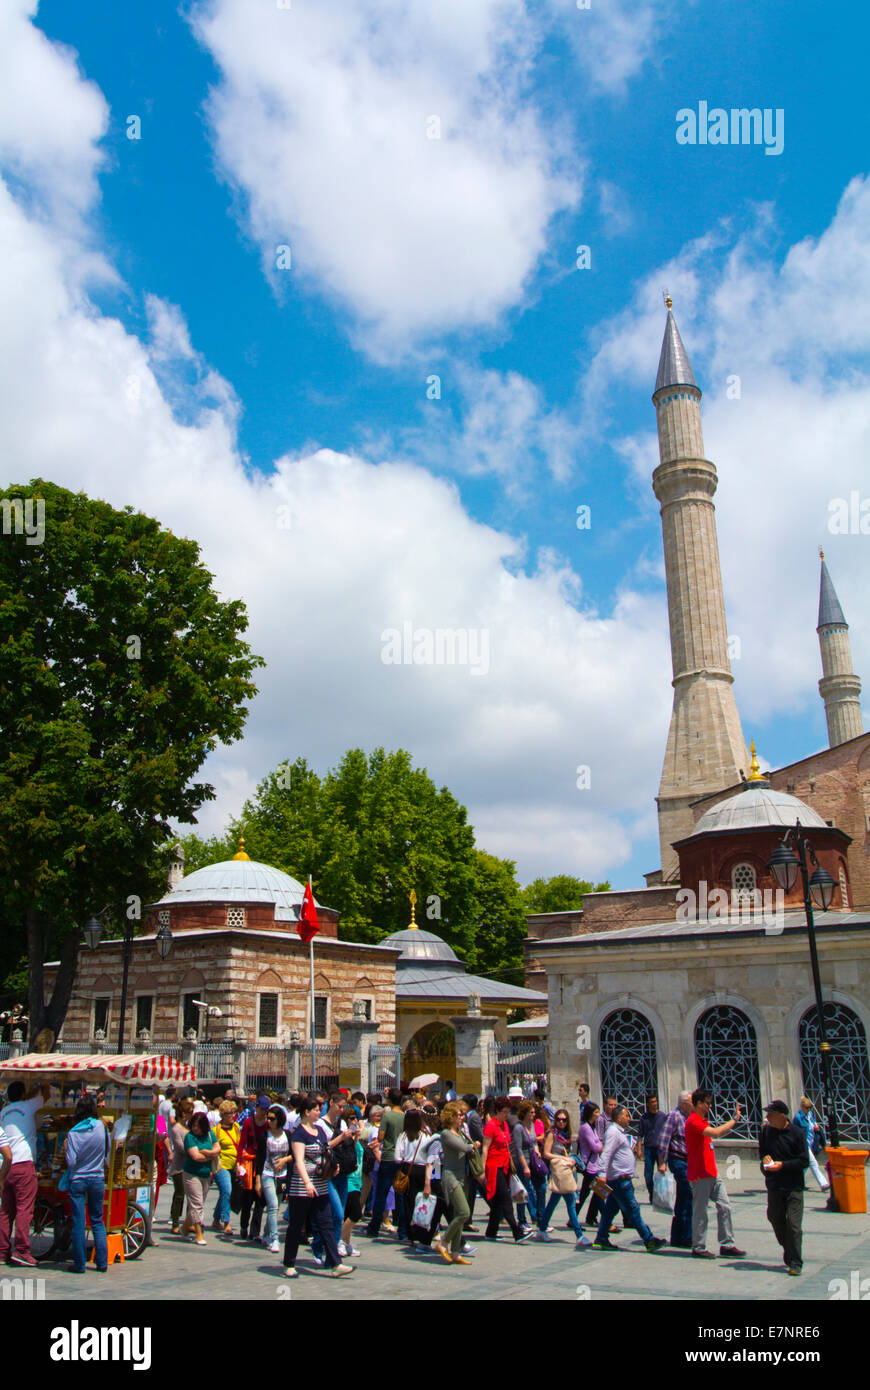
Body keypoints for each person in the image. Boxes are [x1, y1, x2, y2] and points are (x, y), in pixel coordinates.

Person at [282, 1094, 353, 1278]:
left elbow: (325, 1150)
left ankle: (336, 1263)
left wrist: (333, 1165)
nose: (318, 1111)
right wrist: (306, 1182)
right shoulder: (299, 1133)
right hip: (302, 1186)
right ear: (307, 1112)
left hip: (321, 1184)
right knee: (296, 1225)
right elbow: (298, 1161)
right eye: (315, 1109)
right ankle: (289, 1263)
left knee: (326, 1224)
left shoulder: (319, 1131)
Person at [593, 1105, 666, 1253]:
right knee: (633, 1210)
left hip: (620, 1178)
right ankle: (649, 1240)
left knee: (610, 1210)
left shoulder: (619, 1132)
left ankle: (601, 1237)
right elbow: (606, 1153)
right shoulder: (613, 1132)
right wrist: (601, 1174)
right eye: (626, 1115)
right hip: (620, 1180)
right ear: (619, 1118)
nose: (629, 1118)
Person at [685, 1088, 746, 1259]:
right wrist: (734, 1120)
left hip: (711, 1172)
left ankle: (727, 1243)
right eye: (707, 1103)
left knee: (725, 1205)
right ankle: (698, 1246)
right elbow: (716, 1133)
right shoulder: (693, 1121)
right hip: (700, 1174)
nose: (710, 1106)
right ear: (698, 1103)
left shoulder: (702, 1120)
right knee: (700, 1211)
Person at [0, 1080, 50, 1267]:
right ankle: (21, 1250)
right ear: (23, 1094)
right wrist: (36, 1087)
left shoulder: (4, 1112)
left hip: (6, 1165)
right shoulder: (28, 1105)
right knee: (24, 1208)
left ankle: (2, 1251)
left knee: (6, 1211)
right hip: (23, 1163)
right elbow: (46, 1094)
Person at [760, 1100, 809, 1275]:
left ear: (782, 1116)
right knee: (775, 1218)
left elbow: (804, 1160)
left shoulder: (796, 1133)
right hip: (775, 1185)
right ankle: (790, 1249)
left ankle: (795, 1262)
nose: (767, 1117)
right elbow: (763, 1154)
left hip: (793, 1186)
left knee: (794, 1225)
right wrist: (765, 1162)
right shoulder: (766, 1132)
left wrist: (782, 1165)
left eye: (770, 1114)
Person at [63, 1095, 109, 1275]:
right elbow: (106, 1153)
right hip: (97, 1178)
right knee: (97, 1221)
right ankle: (102, 1263)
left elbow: (71, 1162)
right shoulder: (101, 1127)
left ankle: (80, 1265)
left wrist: (67, 1148)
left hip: (78, 1180)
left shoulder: (73, 1133)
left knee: (79, 1223)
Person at [482, 1096, 533, 1243]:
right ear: (497, 1111)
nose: (506, 1115)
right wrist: (481, 1170)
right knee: (505, 1198)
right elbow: (485, 1148)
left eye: (508, 1112)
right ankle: (517, 1231)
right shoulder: (491, 1126)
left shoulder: (504, 1125)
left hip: (505, 1165)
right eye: (504, 1112)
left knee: (498, 1201)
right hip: (493, 1166)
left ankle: (491, 1231)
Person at [540, 1108, 591, 1247]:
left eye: (564, 1120)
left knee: (553, 1203)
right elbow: (546, 1153)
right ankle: (579, 1235)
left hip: (566, 1171)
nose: (561, 1122)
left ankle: (542, 1229)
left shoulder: (567, 1136)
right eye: (558, 1119)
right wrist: (562, 1158)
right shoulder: (552, 1134)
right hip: (558, 1171)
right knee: (570, 1203)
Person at [435, 1103, 476, 1264]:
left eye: (462, 1115)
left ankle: (455, 1252)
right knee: (464, 1213)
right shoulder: (446, 1134)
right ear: (450, 1117)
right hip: (451, 1177)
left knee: (460, 1213)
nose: (461, 1118)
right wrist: (473, 1146)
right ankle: (443, 1241)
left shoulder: (459, 1132)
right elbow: (464, 1148)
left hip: (462, 1176)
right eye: (458, 1115)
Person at [365, 1088, 405, 1238]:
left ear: (389, 1100)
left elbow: (381, 1137)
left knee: (381, 1193)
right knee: (400, 1194)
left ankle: (374, 1226)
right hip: (401, 1157)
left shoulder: (387, 1116)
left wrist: (378, 1141)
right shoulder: (404, 1116)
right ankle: (402, 1229)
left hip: (388, 1156)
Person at [656, 1091, 693, 1248]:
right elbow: (663, 1140)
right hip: (678, 1161)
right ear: (684, 1103)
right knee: (690, 1194)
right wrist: (661, 1162)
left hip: (688, 1161)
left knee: (683, 1198)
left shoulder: (689, 1117)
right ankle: (687, 1235)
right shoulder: (674, 1116)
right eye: (692, 1102)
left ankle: (678, 1236)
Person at [182, 1111, 220, 1246]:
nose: (194, 1128)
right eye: (193, 1125)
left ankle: (185, 1227)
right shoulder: (189, 1137)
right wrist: (211, 1156)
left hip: (206, 1174)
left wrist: (207, 1153)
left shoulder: (209, 1135)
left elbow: (217, 1149)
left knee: (197, 1204)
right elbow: (195, 1156)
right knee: (197, 1204)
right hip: (191, 1174)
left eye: (197, 1126)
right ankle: (199, 1233)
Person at [257, 1104, 289, 1254]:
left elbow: (295, 1153)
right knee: (273, 1205)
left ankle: (266, 1233)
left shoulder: (287, 1135)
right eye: (267, 1118)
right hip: (267, 1174)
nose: (269, 1121)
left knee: (275, 1207)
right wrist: (257, 1179)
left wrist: (285, 1160)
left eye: (272, 1119)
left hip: (283, 1175)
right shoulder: (264, 1136)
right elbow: (260, 1158)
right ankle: (274, 1238)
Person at [237, 1095, 269, 1241]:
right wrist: (238, 1163)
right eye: (261, 1109)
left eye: (266, 1109)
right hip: (249, 1162)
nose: (263, 1112)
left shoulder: (269, 1124)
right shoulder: (249, 1122)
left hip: (263, 1163)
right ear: (256, 1108)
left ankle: (255, 1231)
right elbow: (241, 1143)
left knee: (260, 1199)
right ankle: (244, 1226)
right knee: (247, 1198)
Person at [512, 1101, 544, 1233]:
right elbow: (518, 1149)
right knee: (524, 1190)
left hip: (532, 1160)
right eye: (531, 1112)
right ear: (524, 1113)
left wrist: (537, 1150)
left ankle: (535, 1217)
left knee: (534, 1189)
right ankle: (523, 1220)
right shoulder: (518, 1128)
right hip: (522, 1161)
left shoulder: (531, 1125)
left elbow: (534, 1141)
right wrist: (525, 1167)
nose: (533, 1114)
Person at [575, 1101, 605, 1229]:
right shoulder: (585, 1128)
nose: (598, 1115)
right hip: (589, 1166)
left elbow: (597, 1141)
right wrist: (600, 1145)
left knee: (588, 1194)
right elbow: (595, 1146)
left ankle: (588, 1217)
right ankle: (606, 1221)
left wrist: (599, 1144)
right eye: (596, 1112)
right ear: (590, 1114)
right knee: (599, 1192)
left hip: (594, 1165)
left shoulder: (592, 1127)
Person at [211, 1099, 240, 1235]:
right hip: (220, 1166)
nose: (232, 1116)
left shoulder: (236, 1128)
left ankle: (216, 1219)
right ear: (222, 1114)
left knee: (225, 1192)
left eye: (234, 1113)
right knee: (227, 1190)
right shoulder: (216, 1131)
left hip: (234, 1166)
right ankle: (226, 1222)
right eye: (229, 1113)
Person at [793, 1097, 830, 1191]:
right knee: (813, 1163)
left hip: (811, 1143)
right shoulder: (798, 1117)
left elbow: (812, 1124)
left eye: (810, 1107)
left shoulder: (810, 1115)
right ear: (802, 1107)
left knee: (805, 1165)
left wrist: (816, 1127)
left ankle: (796, 1182)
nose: (809, 1109)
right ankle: (823, 1183)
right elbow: (794, 1131)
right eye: (807, 1107)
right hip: (803, 1144)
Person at [637, 1095, 663, 1204]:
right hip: (649, 1149)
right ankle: (652, 1194)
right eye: (652, 1102)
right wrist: (639, 1149)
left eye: (655, 1101)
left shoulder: (662, 1116)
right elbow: (640, 1135)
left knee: (662, 1173)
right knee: (648, 1175)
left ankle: (661, 1196)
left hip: (660, 1150)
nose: (654, 1104)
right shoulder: (644, 1118)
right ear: (648, 1104)